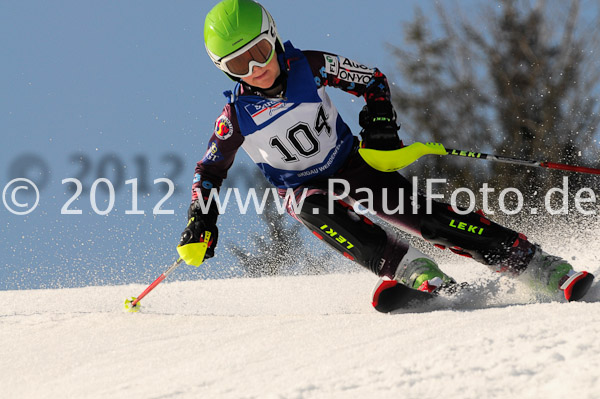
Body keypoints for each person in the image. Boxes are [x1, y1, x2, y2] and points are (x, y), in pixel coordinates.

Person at [178, 0, 594, 309]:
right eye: (239, 64)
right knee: (311, 209)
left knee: (428, 219)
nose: (256, 69)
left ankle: (538, 267)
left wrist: (379, 128)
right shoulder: (235, 116)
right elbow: (210, 169)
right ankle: (411, 270)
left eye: (260, 52)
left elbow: (372, 81)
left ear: (272, 37)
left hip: (352, 164)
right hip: (301, 187)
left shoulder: (310, 64)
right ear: (225, 70)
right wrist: (202, 219)